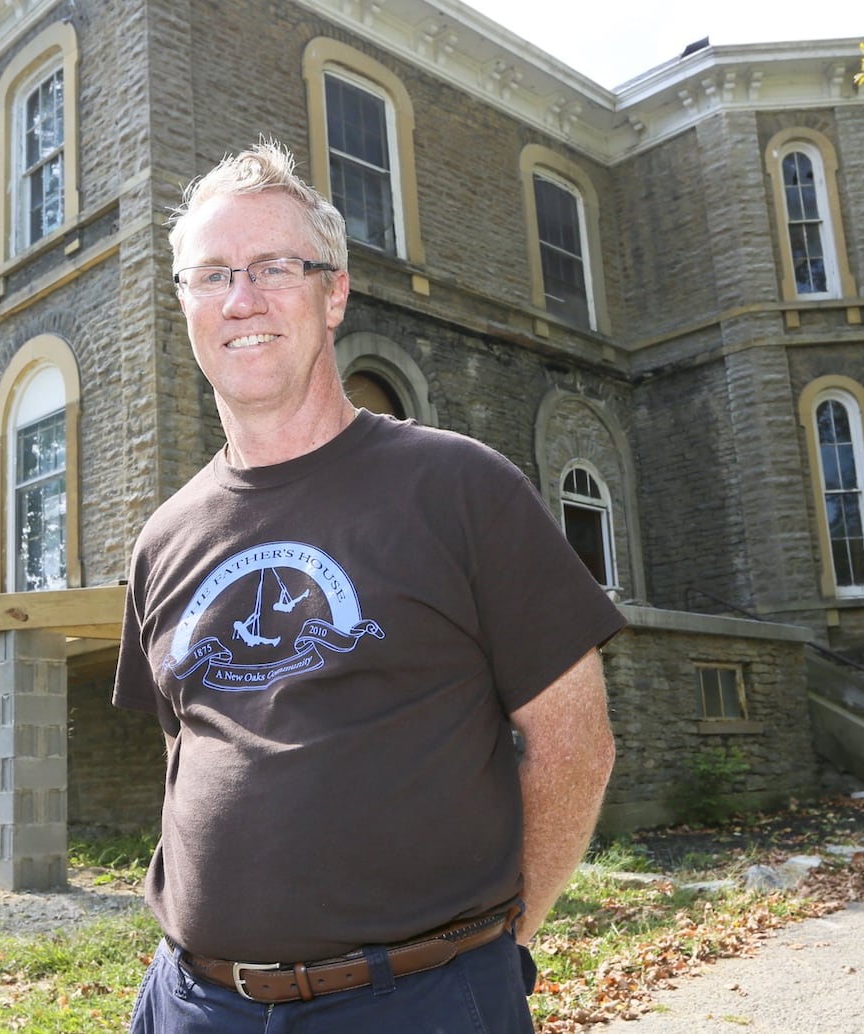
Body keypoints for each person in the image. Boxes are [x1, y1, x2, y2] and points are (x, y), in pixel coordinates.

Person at [113, 141, 626, 1033]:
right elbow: (184, 752)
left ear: (335, 292)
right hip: (194, 1004)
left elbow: (575, 743)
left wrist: (496, 948)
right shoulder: (164, 540)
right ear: (186, 305)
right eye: (213, 276)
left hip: (415, 1001)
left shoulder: (460, 488)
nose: (243, 300)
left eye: (275, 267)